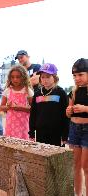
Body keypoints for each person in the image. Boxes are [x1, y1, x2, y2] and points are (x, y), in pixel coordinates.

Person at [29, 63, 69, 146]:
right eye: (43, 77)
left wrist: (65, 135)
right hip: (40, 133)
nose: (45, 79)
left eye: (48, 76)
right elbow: (33, 114)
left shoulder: (61, 93)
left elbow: (66, 115)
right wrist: (31, 132)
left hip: (56, 133)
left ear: (54, 77)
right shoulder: (37, 94)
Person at [66, 58, 88, 196]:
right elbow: (68, 111)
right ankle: (77, 194)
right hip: (74, 129)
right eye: (74, 75)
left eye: (80, 75)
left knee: (86, 167)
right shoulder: (73, 92)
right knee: (75, 166)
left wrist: (85, 108)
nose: (77, 78)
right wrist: (68, 111)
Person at [0, 65, 33, 140]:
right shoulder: (7, 90)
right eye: (12, 77)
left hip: (23, 124)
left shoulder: (28, 91)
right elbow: (1, 107)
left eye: (18, 77)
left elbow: (33, 109)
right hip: (10, 124)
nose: (15, 79)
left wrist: (18, 107)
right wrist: (8, 107)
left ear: (23, 77)